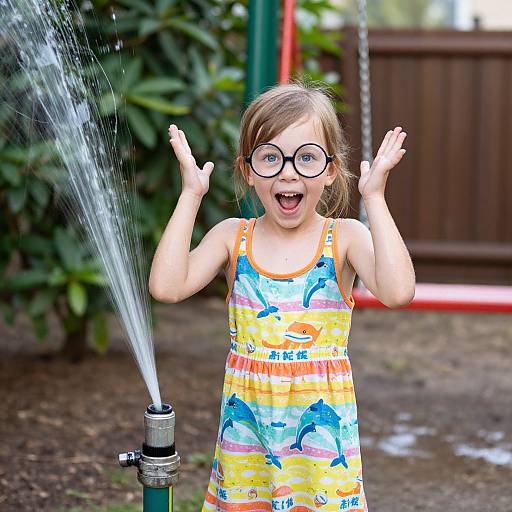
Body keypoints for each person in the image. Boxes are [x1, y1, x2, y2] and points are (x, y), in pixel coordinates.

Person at [149, 81, 415, 512]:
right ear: (248, 170)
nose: (288, 172)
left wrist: (376, 198)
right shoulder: (232, 237)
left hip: (320, 461)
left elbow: (399, 292)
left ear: (330, 170)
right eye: (271, 158)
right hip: (247, 445)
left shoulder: (344, 238)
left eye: (306, 158)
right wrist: (190, 195)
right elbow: (166, 286)